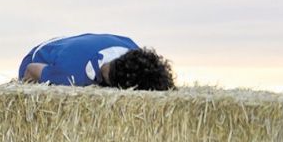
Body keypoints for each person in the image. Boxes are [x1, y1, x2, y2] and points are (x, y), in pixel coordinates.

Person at [18, 34, 175, 91]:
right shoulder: (71, 75)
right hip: (39, 54)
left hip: (76, 44)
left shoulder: (132, 47)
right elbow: (31, 70)